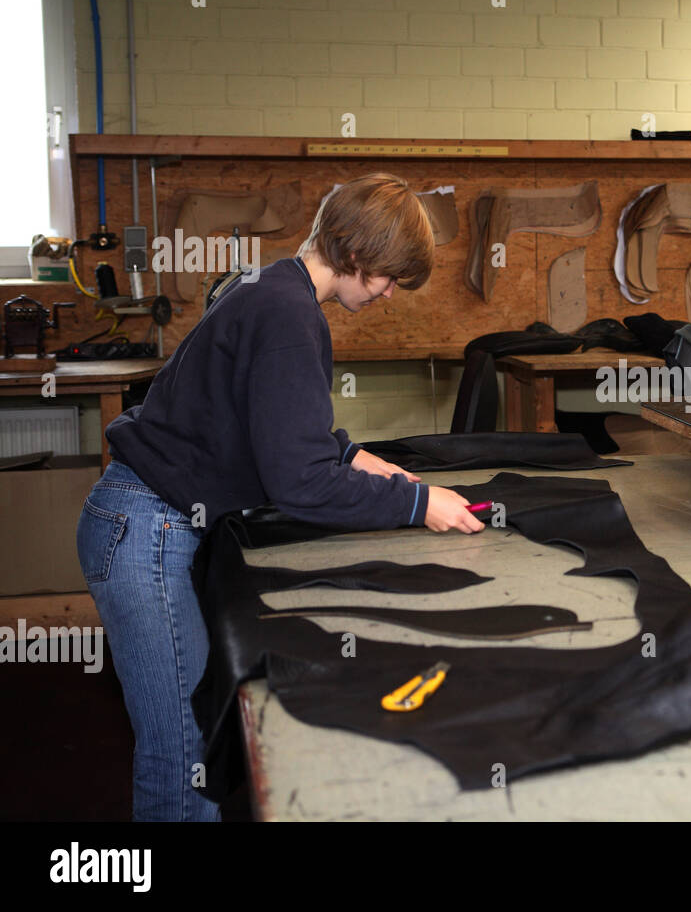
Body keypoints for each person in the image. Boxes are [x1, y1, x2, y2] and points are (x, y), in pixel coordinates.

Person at [75, 173, 483, 821]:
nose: (387, 293)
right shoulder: (290, 316)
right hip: (147, 533)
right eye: (386, 276)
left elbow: (262, 420)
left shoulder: (266, 286)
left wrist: (364, 463)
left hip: (141, 522)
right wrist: (417, 505)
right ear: (354, 254)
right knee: (183, 750)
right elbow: (300, 484)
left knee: (194, 733)